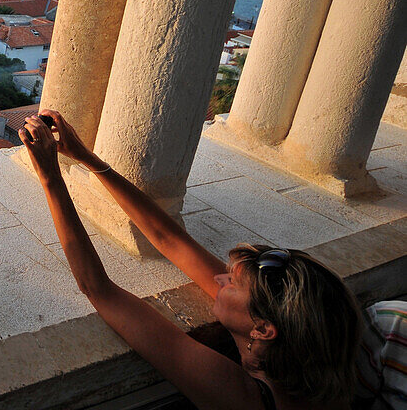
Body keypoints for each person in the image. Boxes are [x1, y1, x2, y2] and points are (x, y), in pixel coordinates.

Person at [20, 110, 363, 410]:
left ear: (263, 330)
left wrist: (50, 177)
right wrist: (88, 159)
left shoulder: (241, 397)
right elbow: (171, 240)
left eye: (232, 283)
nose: (218, 280)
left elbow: (97, 289)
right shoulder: (314, 356)